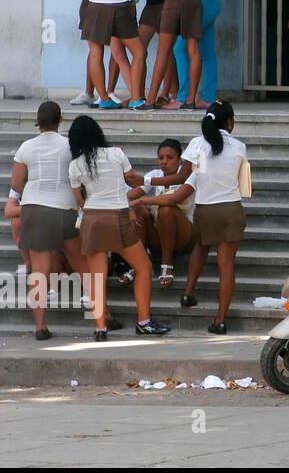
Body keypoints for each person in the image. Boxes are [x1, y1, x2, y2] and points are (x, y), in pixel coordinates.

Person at [66, 115, 169, 340]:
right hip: (118, 217)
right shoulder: (116, 153)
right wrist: (148, 183)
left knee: (97, 276)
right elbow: (132, 179)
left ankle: (101, 327)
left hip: (92, 220)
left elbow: (80, 201)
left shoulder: (75, 166)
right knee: (143, 267)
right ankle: (143, 322)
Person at [9, 102, 92, 339]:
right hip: (64, 209)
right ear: (60, 119)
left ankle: (40, 327)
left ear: (38, 122)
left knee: (39, 272)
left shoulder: (26, 147)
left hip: (34, 209)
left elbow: (16, 185)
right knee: (83, 266)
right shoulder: (69, 145)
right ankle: (103, 318)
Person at [163, 101, 247, 334]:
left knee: (200, 246)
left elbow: (182, 176)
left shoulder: (196, 144)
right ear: (229, 121)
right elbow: (244, 183)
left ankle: (188, 293)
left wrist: (149, 181)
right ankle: (219, 320)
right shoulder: (239, 146)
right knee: (226, 265)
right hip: (231, 208)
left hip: (204, 209)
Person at [127, 138, 198, 289]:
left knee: (166, 209)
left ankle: (167, 265)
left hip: (185, 235)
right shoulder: (155, 174)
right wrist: (130, 208)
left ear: (180, 160)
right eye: (161, 158)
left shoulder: (189, 175)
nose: (164, 162)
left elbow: (173, 199)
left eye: (170, 158)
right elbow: (129, 196)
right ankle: (140, 263)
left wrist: (141, 201)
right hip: (159, 236)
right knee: (139, 211)